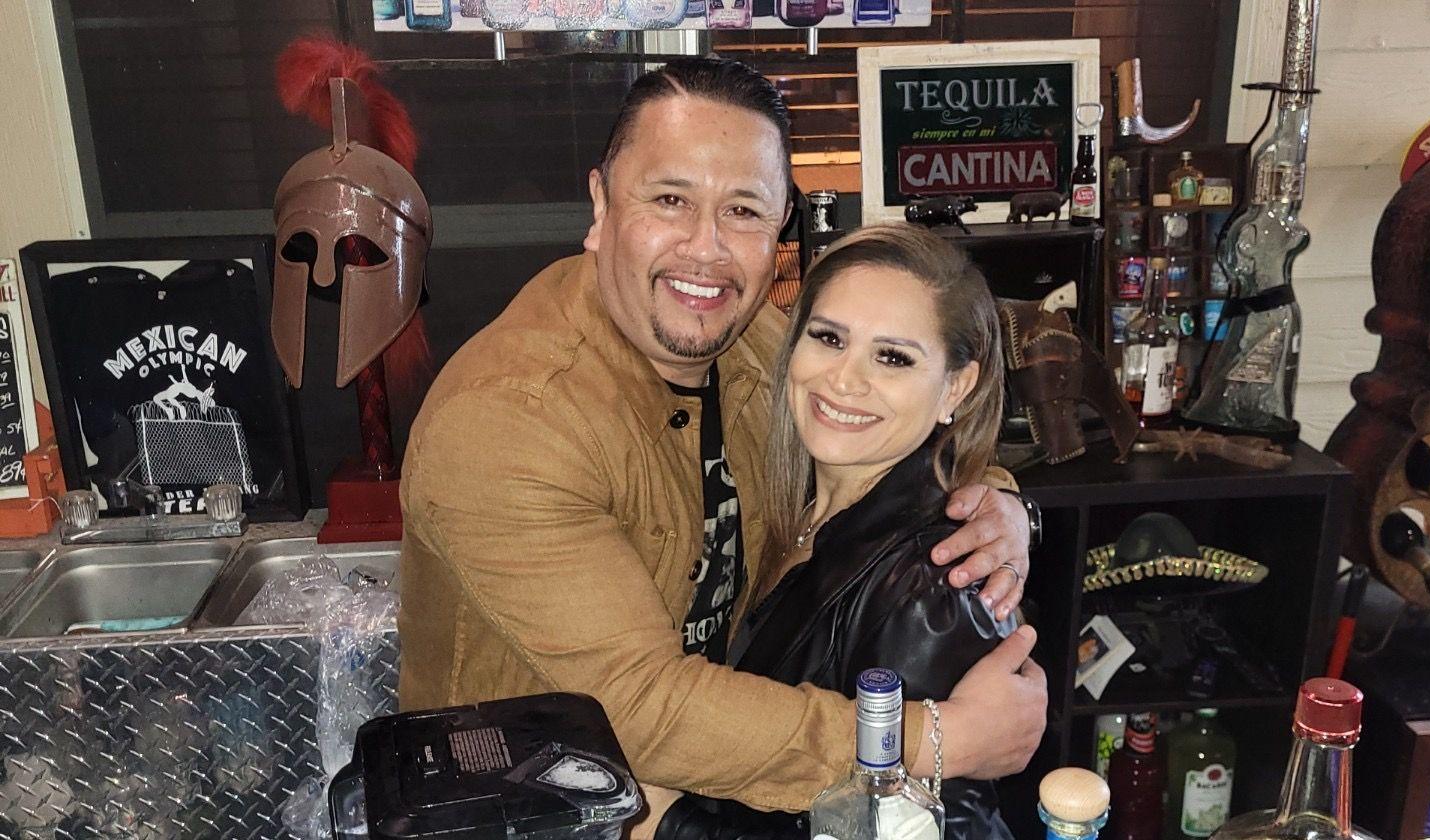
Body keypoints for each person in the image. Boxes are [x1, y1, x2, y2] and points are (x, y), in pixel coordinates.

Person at [398, 56, 1047, 818]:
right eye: (670, 199)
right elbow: (641, 706)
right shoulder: (508, 421)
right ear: (601, 204)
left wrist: (997, 506)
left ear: (780, 225)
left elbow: (882, 411)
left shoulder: (744, 342)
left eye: (743, 210)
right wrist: (928, 740)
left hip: (709, 797)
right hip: (529, 816)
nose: (705, 249)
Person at [659, 223, 1022, 840]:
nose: (845, 379)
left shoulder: (933, 585)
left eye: (893, 357)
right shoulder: (789, 504)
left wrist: (671, 825)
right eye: (828, 338)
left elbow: (932, 830)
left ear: (956, 387)